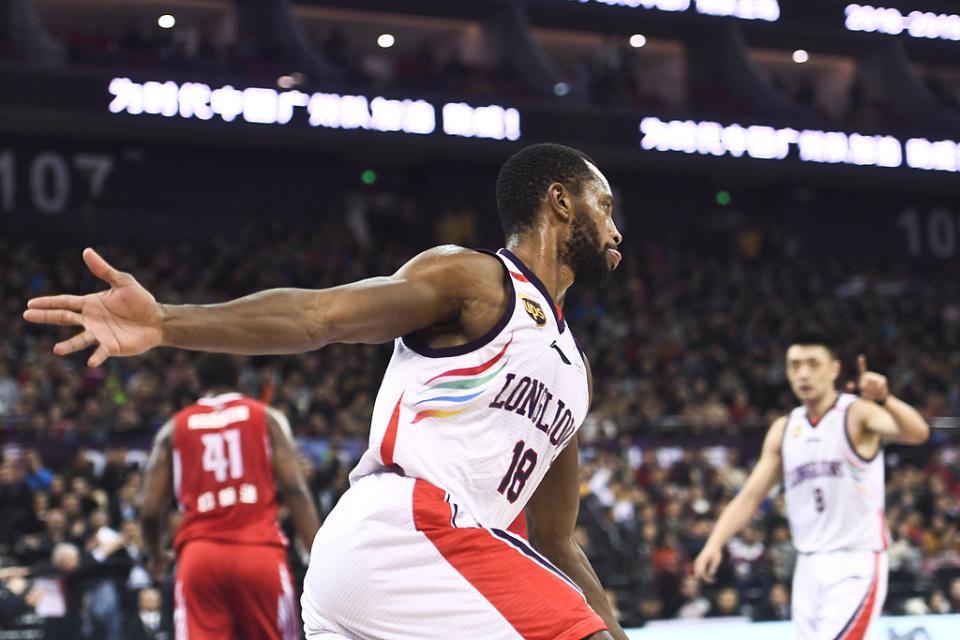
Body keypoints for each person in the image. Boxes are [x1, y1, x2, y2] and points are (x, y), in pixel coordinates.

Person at [24, 142, 626, 640]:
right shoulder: (477, 281)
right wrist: (167, 322)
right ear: (560, 202)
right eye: (603, 206)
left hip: (410, 579)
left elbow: (555, 540)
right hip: (407, 532)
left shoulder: (575, 371)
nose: (616, 229)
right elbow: (319, 317)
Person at [693, 327, 930, 639]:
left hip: (855, 561)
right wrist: (714, 542)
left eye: (813, 364)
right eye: (795, 365)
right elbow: (750, 496)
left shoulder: (856, 413)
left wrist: (886, 399)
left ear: (834, 369)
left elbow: (917, 433)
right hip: (807, 565)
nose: (803, 373)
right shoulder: (784, 428)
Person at [139, 353, 320, 640]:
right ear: (240, 381)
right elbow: (295, 490)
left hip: (200, 556)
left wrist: (156, 555)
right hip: (258, 551)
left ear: (198, 383)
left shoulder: (173, 429)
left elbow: (149, 510)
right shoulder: (267, 418)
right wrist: (319, 556)